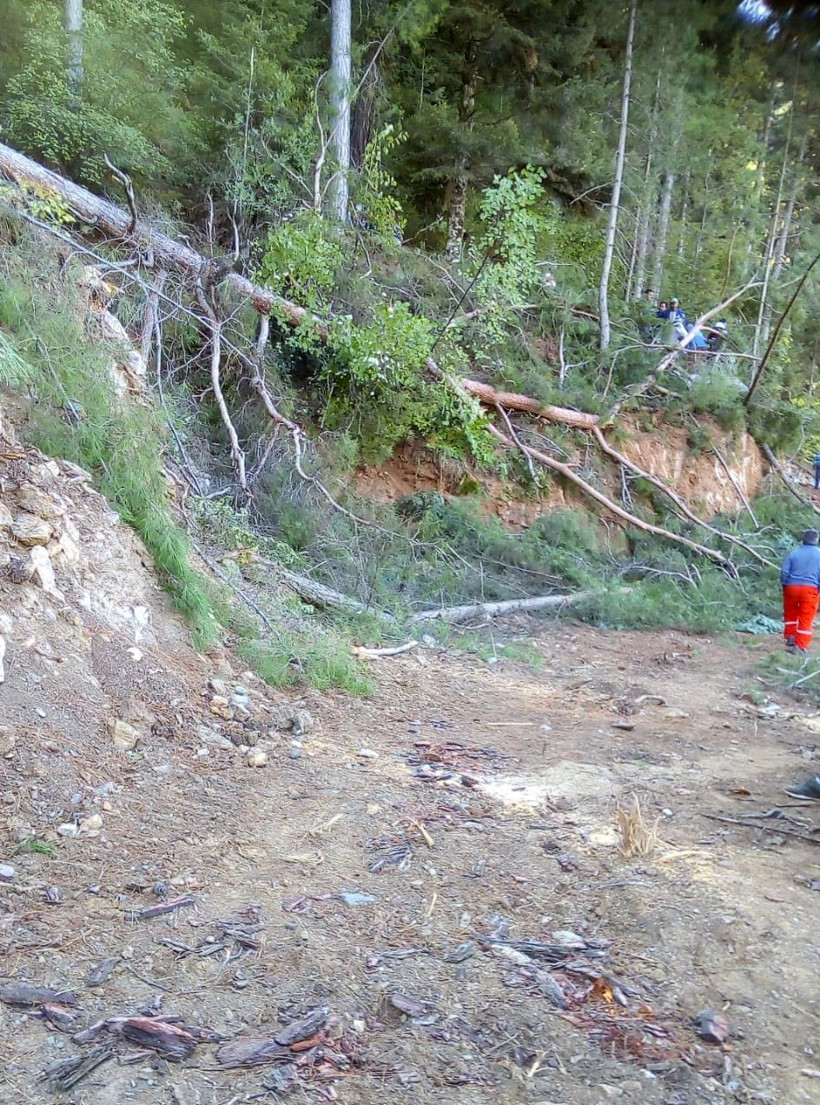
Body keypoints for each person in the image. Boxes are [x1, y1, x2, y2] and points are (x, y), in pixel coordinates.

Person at [781, 529, 820, 653]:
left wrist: (785, 586)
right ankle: (801, 646)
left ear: (803, 539)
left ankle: (790, 637)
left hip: (791, 587)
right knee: (806, 617)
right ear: (816, 540)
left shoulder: (794, 553)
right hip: (810, 589)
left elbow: (784, 572)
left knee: (791, 613)